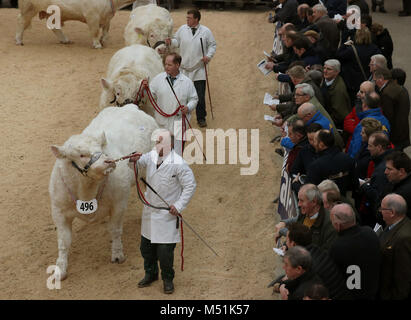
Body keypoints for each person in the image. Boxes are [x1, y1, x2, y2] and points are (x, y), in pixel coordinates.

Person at [129, 129, 197, 294]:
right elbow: (139, 162)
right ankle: (150, 274)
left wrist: (179, 206)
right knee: (146, 249)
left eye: (160, 142)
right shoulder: (152, 155)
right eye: (156, 142)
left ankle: (168, 279)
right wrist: (133, 159)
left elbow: (190, 185)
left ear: (170, 144)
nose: (156, 145)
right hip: (150, 212)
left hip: (167, 214)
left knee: (165, 253)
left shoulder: (178, 163)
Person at [166, 9, 216, 128]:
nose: (187, 19)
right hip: (183, 69)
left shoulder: (206, 31)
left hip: (199, 68)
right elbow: (176, 41)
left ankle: (201, 118)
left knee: (199, 95)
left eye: (189, 18)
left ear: (196, 19)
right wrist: (170, 42)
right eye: (187, 17)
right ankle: (179, 116)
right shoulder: (182, 29)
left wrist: (208, 56)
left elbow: (212, 45)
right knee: (181, 93)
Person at [149, 52, 198, 156]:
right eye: (165, 64)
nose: (166, 67)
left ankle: (176, 172)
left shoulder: (187, 82)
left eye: (169, 65)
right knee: (161, 153)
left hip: (179, 123)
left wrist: (188, 107)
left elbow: (194, 98)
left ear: (177, 65)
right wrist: (144, 87)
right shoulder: (158, 79)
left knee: (177, 155)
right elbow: (149, 94)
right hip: (162, 122)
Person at [329, 203, 382, 300]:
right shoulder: (370, 232)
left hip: (352, 293)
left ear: (338, 226)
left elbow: (335, 277)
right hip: (374, 290)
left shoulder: (338, 246)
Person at [275, 184, 338, 252]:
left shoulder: (329, 224)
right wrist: (286, 245)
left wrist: (282, 231)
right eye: (298, 200)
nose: (299, 204)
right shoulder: (304, 213)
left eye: (301, 200)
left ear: (314, 202)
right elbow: (297, 233)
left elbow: (324, 255)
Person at [336, 27, 381, 105]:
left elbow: (339, 56)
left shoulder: (352, 50)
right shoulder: (375, 48)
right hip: (369, 79)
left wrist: (344, 45)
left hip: (353, 82)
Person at [305, 129, 358, 195]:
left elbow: (308, 193)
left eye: (315, 141)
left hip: (324, 203)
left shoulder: (316, 166)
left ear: (321, 144)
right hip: (346, 201)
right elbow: (355, 184)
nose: (313, 143)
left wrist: (295, 184)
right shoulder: (349, 159)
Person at [379, 194, 411, 299]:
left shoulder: (403, 238)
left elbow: (403, 277)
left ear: (392, 212)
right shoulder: (393, 224)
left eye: (382, 208)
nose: (380, 211)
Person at [359, 131, 393, 227]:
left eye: (370, 146)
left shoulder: (381, 170)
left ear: (379, 147)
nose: (368, 148)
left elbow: (377, 196)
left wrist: (364, 186)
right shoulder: (388, 158)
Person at [374, 67, 410, 150]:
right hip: (402, 131)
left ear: (381, 79)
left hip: (395, 136)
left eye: (375, 80)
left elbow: (388, 117)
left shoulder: (387, 93)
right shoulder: (396, 88)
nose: (375, 83)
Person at [347, 92, 390, 159]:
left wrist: (352, 162)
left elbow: (357, 146)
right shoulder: (385, 120)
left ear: (364, 105)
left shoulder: (364, 124)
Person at [320, 59, 351, 129]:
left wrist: (325, 122)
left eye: (329, 69)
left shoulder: (339, 90)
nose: (325, 71)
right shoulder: (324, 80)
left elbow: (339, 114)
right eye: (324, 68)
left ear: (337, 72)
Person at [383, 151, 411, 219]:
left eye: (389, 169)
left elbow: (384, 216)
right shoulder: (397, 182)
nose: (385, 172)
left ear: (401, 171)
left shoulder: (401, 195)